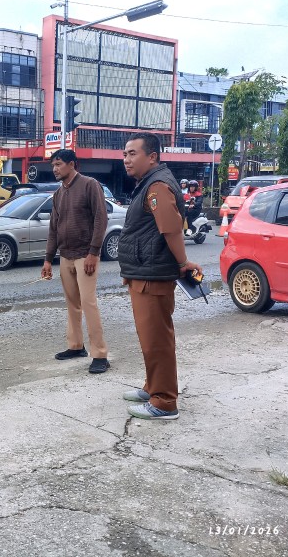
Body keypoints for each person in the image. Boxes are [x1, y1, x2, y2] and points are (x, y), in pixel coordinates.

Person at [119, 133, 202, 420]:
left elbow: (171, 229)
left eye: (132, 153)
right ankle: (153, 386)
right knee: (149, 338)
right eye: (125, 154)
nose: (126, 159)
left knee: (157, 340)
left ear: (152, 156)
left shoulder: (157, 186)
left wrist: (183, 262)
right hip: (145, 274)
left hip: (153, 277)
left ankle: (164, 402)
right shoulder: (149, 184)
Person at [40, 149, 110, 374]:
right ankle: (76, 346)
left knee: (88, 303)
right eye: (53, 165)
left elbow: (101, 218)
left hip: (85, 256)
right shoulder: (59, 194)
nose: (55, 169)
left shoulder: (90, 185)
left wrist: (93, 252)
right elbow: (54, 228)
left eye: (59, 164)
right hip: (66, 256)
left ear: (72, 164)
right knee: (72, 304)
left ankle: (99, 354)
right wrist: (48, 259)